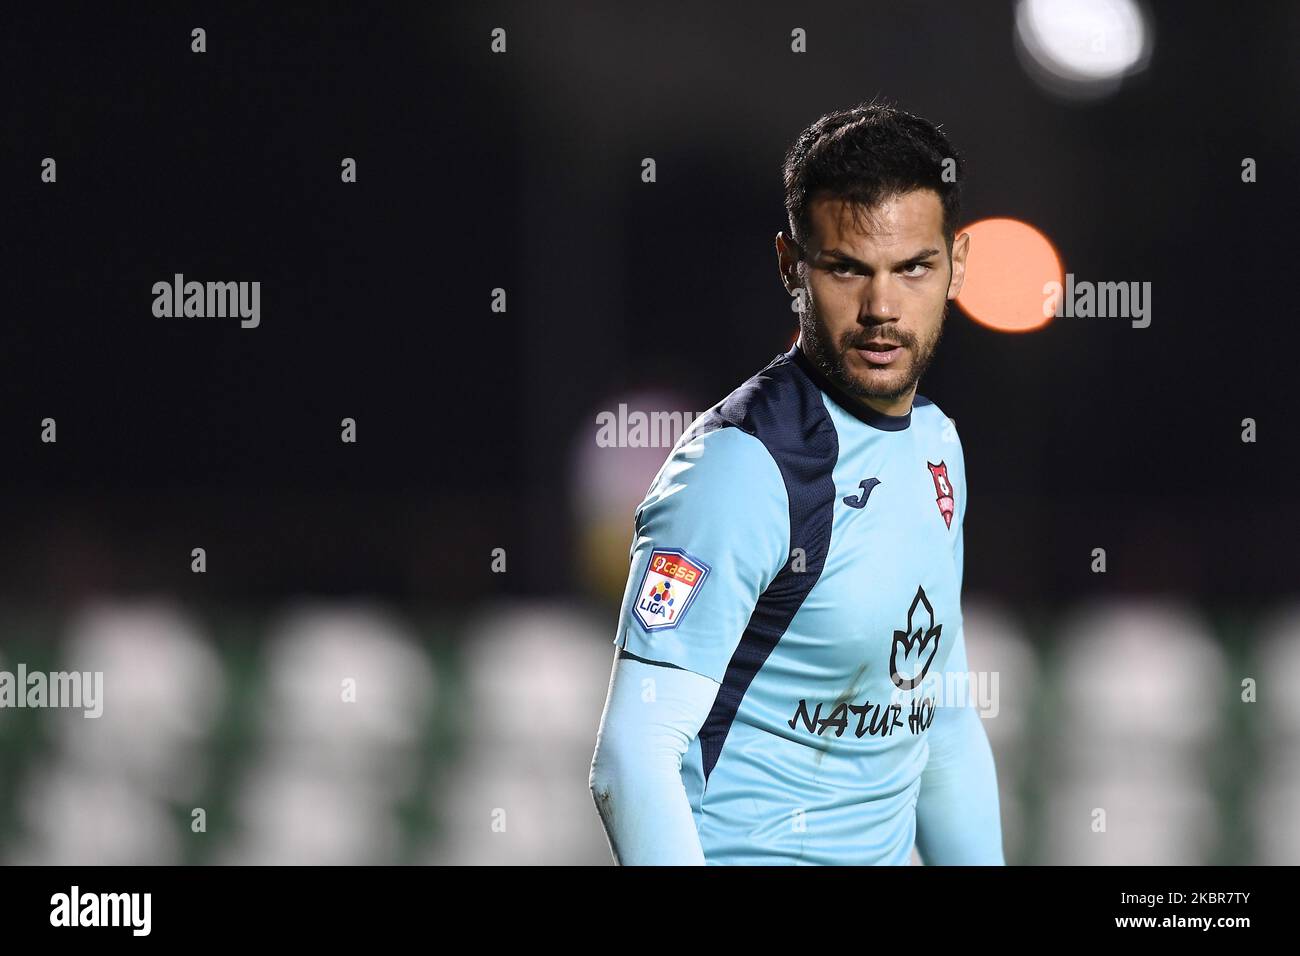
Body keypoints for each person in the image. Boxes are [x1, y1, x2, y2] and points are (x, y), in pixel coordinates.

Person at [589, 102, 1003, 865]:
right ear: (791, 266)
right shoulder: (739, 470)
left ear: (959, 266)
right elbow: (631, 757)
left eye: (914, 267)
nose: (882, 307)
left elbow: (938, 723)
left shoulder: (938, 446)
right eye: (847, 267)